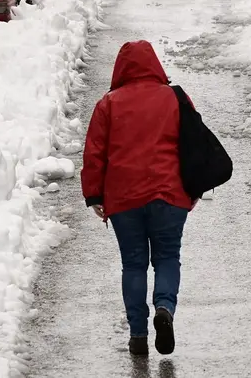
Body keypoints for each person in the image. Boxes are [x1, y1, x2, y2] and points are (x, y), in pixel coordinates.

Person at [81, 40, 195, 356]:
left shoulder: (108, 104)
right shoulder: (176, 97)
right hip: (170, 194)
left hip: (124, 198)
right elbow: (193, 144)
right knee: (168, 257)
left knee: (133, 264)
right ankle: (165, 309)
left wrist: (93, 194)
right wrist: (193, 189)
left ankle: (138, 337)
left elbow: (95, 154)